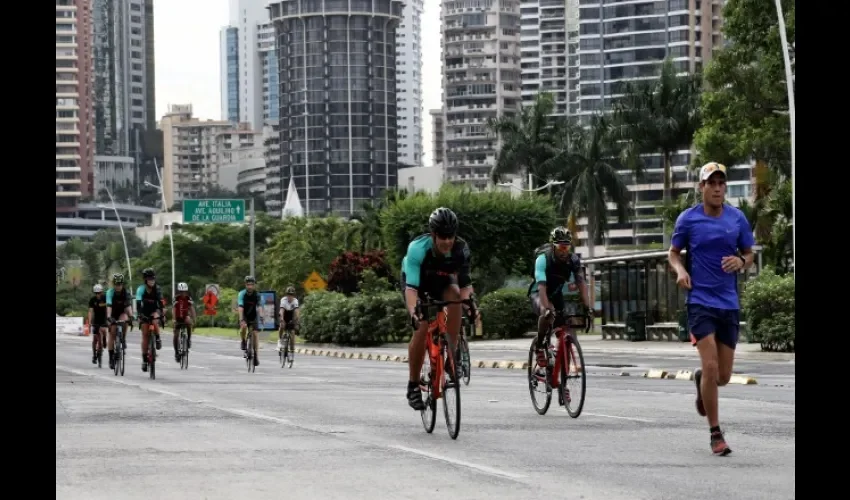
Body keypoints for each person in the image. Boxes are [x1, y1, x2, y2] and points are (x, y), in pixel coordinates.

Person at [669, 162, 754, 456]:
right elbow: (672, 253)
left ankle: (700, 382)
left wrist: (742, 262)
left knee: (723, 377)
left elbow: (749, 253)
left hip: (728, 303)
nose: (717, 188)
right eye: (711, 183)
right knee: (710, 365)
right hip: (700, 301)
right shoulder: (688, 219)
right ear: (701, 187)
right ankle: (716, 433)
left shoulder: (737, 218)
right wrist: (680, 270)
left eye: (721, 183)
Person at [401, 207, 475, 411]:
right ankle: (413, 385)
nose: (447, 242)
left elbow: (466, 285)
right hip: (417, 285)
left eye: (451, 236)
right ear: (433, 235)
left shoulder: (461, 249)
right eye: (442, 237)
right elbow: (411, 290)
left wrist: (471, 305)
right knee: (422, 326)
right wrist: (413, 312)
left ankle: (452, 353)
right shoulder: (418, 248)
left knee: (457, 296)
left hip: (442, 281)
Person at [527, 227, 593, 383]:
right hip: (539, 293)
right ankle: (540, 347)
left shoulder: (573, 260)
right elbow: (542, 287)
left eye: (567, 246)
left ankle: (564, 384)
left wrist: (588, 308)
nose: (564, 251)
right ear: (553, 246)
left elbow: (582, 284)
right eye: (561, 247)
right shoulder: (543, 259)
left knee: (565, 336)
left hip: (556, 295)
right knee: (547, 311)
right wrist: (547, 309)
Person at [135, 268, 165, 372]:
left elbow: (161, 303)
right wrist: (139, 315)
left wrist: (162, 314)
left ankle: (157, 338)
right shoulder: (141, 289)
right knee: (145, 336)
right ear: (145, 280)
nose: (152, 281)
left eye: (153, 278)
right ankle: (144, 359)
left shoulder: (157, 289)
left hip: (154, 310)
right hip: (144, 312)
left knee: (154, 320)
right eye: (149, 279)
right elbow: (138, 303)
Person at [105, 273, 134, 369]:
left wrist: (131, 316)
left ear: (122, 284)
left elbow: (128, 306)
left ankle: (123, 339)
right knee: (112, 334)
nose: (118, 286)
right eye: (117, 284)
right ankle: (111, 358)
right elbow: (109, 306)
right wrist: (109, 317)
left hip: (122, 312)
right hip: (112, 313)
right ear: (114, 284)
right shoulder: (110, 292)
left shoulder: (126, 293)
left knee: (125, 320)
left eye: (120, 284)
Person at [238, 275, 261, 367]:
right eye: (248, 285)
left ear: (254, 285)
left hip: (253, 315)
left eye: (252, 285)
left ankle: (256, 355)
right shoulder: (242, 294)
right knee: (243, 327)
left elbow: (259, 308)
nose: (250, 286)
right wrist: (241, 319)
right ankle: (243, 340)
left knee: (255, 334)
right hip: (244, 314)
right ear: (245, 285)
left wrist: (261, 318)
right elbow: (240, 307)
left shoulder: (257, 295)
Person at [172, 282, 196, 362]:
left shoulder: (188, 298)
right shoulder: (176, 298)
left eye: (185, 291)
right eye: (181, 292)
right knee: (175, 335)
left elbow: (192, 309)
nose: (183, 293)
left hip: (185, 316)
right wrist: (174, 320)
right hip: (178, 317)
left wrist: (194, 320)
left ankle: (188, 339)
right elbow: (174, 310)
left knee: (188, 322)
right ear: (178, 291)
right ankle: (176, 353)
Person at [88, 284, 108, 364]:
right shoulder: (92, 300)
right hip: (96, 320)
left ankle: (104, 339)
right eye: (96, 293)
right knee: (95, 339)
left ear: (102, 292)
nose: (98, 295)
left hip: (104, 319)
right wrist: (89, 322)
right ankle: (94, 355)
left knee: (104, 331)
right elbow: (90, 311)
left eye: (99, 293)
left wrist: (109, 319)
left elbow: (108, 308)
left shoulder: (105, 298)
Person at [278, 286, 300, 353]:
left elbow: (296, 311)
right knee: (282, 326)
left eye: (291, 295)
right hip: (284, 314)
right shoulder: (283, 300)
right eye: (288, 295)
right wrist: (282, 320)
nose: (290, 296)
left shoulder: (295, 301)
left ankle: (291, 348)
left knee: (292, 332)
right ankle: (280, 340)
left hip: (291, 315)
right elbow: (281, 311)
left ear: (294, 295)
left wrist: (297, 321)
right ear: (286, 295)